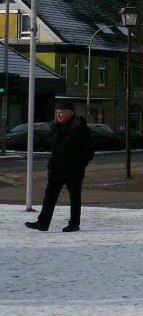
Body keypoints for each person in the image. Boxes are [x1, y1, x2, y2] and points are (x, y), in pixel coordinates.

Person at [25, 100, 95, 233]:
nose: (58, 115)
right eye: (57, 112)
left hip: (73, 171)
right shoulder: (55, 127)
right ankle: (42, 223)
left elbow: (89, 151)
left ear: (70, 113)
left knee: (74, 197)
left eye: (61, 112)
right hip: (56, 169)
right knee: (49, 196)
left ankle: (74, 224)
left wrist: (79, 165)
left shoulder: (80, 129)